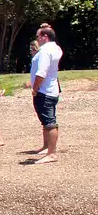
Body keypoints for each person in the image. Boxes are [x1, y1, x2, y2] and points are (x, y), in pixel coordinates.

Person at [28, 26, 63, 164]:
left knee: (49, 123)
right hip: (52, 89)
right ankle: (48, 147)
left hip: (44, 91)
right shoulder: (56, 48)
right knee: (47, 121)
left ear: (44, 36)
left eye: (38, 36)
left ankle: (52, 153)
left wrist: (35, 89)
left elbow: (41, 73)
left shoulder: (45, 51)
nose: (37, 39)